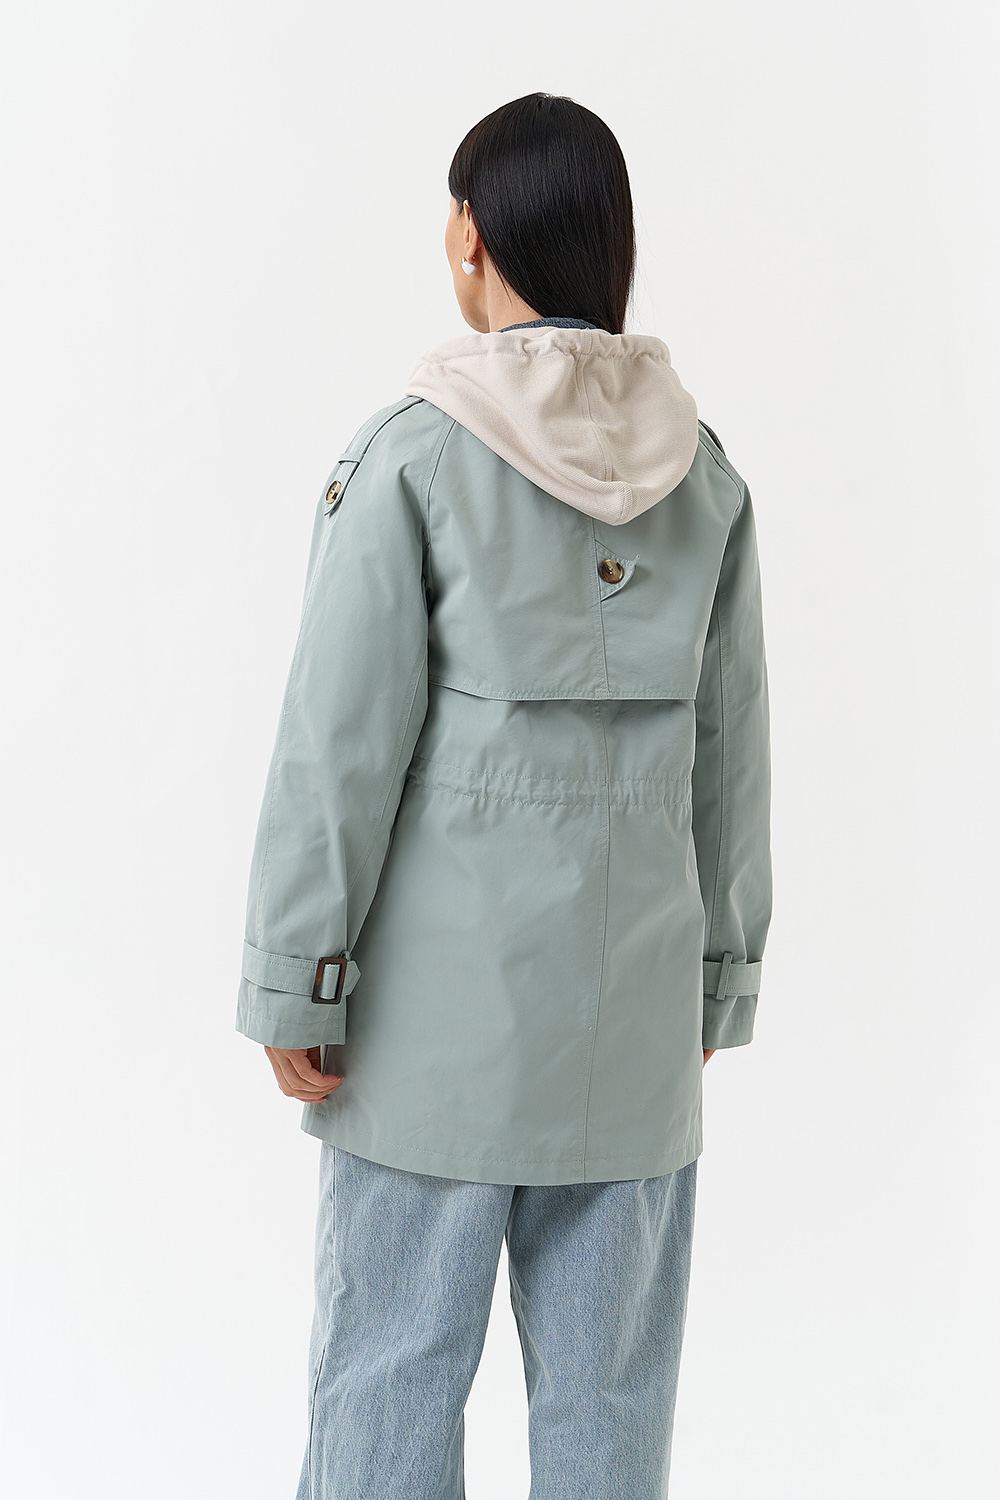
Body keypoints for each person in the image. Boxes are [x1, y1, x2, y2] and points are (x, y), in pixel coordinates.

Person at [236, 91, 772, 1500]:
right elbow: (734, 753)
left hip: (430, 1046)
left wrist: (297, 979)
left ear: (470, 235)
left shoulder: (413, 456)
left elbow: (337, 747)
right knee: (610, 1418)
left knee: (387, 1388)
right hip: (634, 1043)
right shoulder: (706, 479)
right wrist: (718, 985)